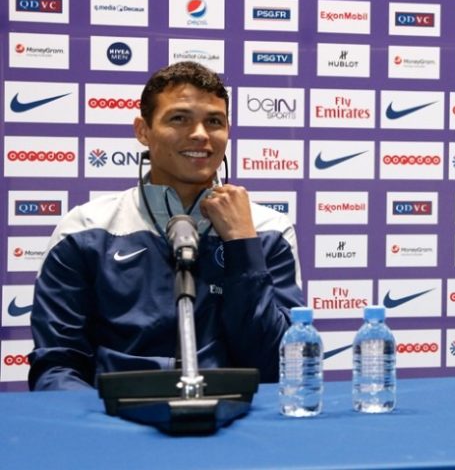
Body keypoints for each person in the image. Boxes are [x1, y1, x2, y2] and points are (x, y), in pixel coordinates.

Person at [29, 61, 304, 390]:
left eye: (214, 121)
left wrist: (242, 244)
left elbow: (280, 364)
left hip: (235, 423)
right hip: (115, 422)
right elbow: (58, 364)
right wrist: (100, 426)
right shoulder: (85, 229)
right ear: (143, 131)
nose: (200, 134)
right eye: (179, 118)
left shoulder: (267, 230)